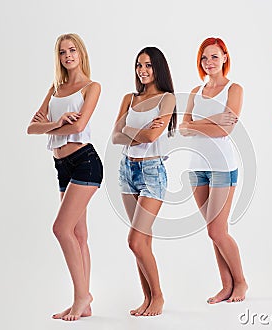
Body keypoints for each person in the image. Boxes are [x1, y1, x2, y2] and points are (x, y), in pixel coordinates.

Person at [27, 33, 102, 321]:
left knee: (61, 229)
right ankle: (85, 303)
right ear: (58, 57)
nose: (68, 55)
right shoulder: (56, 89)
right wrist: (57, 123)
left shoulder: (91, 87)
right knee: (79, 234)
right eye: (62, 52)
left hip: (85, 163)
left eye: (72, 50)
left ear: (81, 53)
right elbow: (30, 129)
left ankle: (82, 296)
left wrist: (49, 126)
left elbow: (80, 124)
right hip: (63, 166)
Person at [180, 37, 248, 304]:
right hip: (196, 168)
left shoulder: (234, 89)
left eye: (214, 57)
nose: (209, 62)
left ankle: (241, 282)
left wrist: (198, 124)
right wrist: (210, 121)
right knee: (214, 230)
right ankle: (226, 285)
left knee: (217, 231)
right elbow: (182, 128)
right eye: (204, 58)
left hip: (222, 167)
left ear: (224, 58)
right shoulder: (196, 91)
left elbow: (226, 129)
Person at [111, 46, 176, 316]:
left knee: (135, 241)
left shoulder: (167, 99)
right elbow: (114, 137)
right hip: (127, 171)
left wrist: (128, 129)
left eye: (148, 65)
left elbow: (152, 138)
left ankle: (158, 297)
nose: (143, 70)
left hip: (152, 172)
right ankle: (146, 298)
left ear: (158, 68)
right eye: (139, 65)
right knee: (143, 243)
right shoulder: (129, 98)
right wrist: (134, 131)